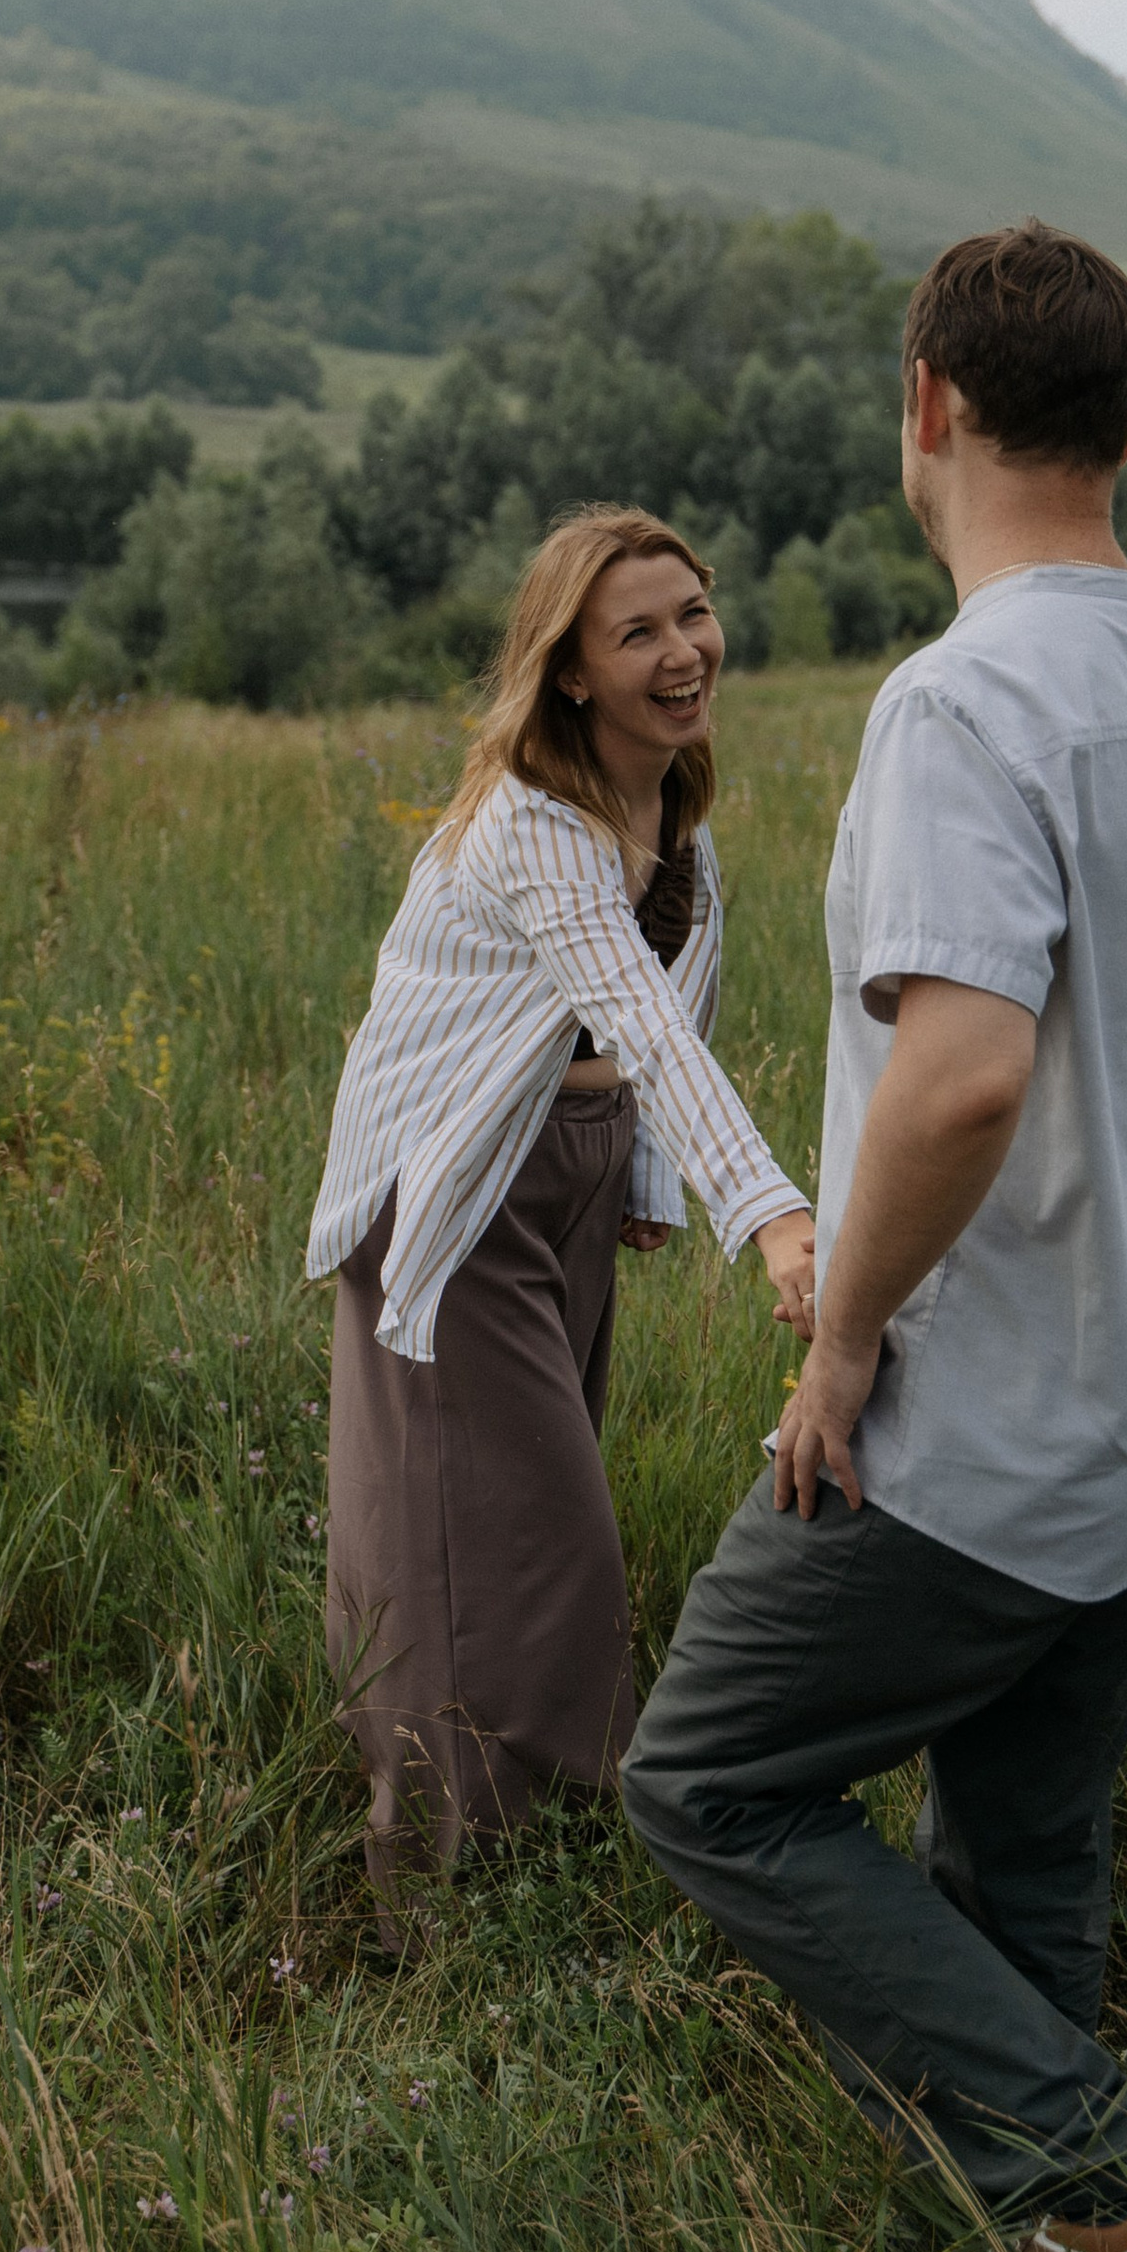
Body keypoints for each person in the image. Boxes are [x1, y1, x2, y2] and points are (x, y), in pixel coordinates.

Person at [621, 223, 1127, 2252]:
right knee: (1020, 1853)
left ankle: (1109, 2175)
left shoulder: (962, 695)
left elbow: (966, 1068)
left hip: (1003, 1414)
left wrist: (836, 1346)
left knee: (707, 1778)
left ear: (925, 407)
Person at [307, 505, 818, 1946]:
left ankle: (548, 1855)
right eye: (636, 631)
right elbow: (648, 1023)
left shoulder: (674, 815)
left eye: (692, 615)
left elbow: (666, 1015)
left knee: (492, 1529)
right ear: (571, 670)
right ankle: (445, 1892)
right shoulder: (534, 827)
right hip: (459, 1187)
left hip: (568, 1176)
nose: (681, 652)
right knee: (522, 1543)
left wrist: (645, 1185)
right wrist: (773, 1221)